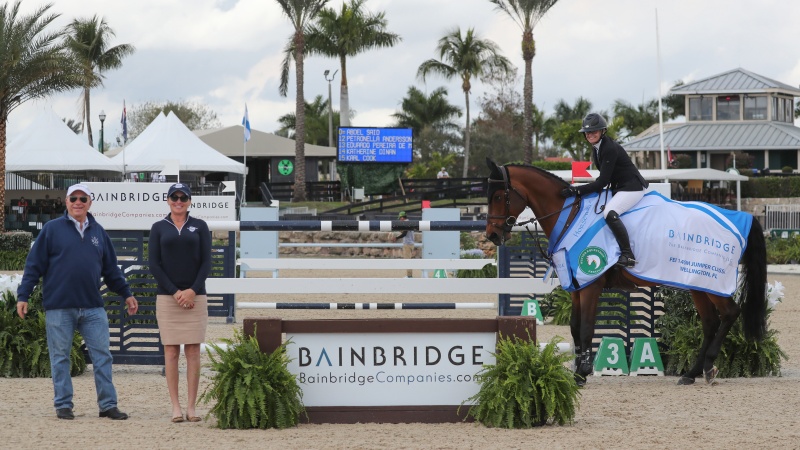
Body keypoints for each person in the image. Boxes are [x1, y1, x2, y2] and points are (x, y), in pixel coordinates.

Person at [16, 183, 139, 421]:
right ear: (66, 202)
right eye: (74, 198)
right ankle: (63, 405)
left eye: (83, 198)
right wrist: (23, 296)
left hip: (93, 307)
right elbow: (34, 266)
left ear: (90, 203)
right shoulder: (52, 230)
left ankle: (107, 405)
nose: (78, 202)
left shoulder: (99, 232)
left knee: (103, 356)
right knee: (60, 357)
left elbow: (111, 270)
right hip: (59, 306)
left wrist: (127, 294)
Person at [148, 183, 211, 423]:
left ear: (189, 200)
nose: (178, 200)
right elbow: (154, 264)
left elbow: (207, 263)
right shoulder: (158, 228)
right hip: (167, 298)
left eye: (183, 197)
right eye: (174, 197)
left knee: (193, 351)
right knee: (171, 351)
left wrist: (193, 291)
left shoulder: (200, 226)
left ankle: (191, 407)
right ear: (167, 200)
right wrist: (176, 292)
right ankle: (175, 407)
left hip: (196, 297)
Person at [560, 113, 648, 267]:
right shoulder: (596, 148)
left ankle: (628, 254)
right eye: (587, 132)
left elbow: (602, 182)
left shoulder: (608, 148)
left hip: (631, 188)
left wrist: (576, 190)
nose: (590, 134)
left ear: (602, 131)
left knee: (609, 213)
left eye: (594, 131)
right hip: (619, 187)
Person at [394, 211, 415, 278]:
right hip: (410, 244)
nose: (400, 220)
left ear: (402, 217)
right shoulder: (409, 222)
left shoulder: (406, 223)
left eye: (400, 218)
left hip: (408, 244)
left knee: (407, 260)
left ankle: (409, 276)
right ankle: (409, 275)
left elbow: (404, 233)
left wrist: (396, 238)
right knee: (408, 260)